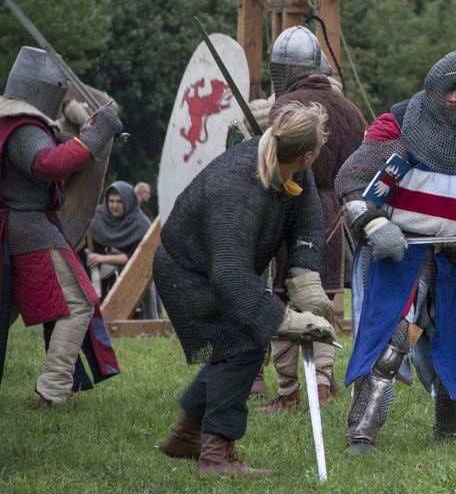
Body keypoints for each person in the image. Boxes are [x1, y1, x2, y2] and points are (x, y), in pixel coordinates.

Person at [335, 50, 456, 455]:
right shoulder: (401, 126)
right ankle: (362, 432)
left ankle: (450, 431)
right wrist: (376, 225)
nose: (454, 98)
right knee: (391, 339)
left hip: (449, 257)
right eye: (449, 89)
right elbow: (350, 182)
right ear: (434, 88)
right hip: (399, 252)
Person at [154, 101, 335, 477]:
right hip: (188, 272)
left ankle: (187, 434)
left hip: (215, 268)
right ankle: (217, 457)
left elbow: (308, 221)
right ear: (307, 153)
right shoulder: (239, 189)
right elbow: (230, 277)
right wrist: (283, 320)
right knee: (242, 346)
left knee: (231, 349)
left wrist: (307, 279)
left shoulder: (294, 167)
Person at [0, 46, 122, 405]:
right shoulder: (24, 126)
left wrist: (88, 133)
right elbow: (47, 164)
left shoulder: (11, 123)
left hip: (18, 226)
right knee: (80, 301)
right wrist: (96, 135)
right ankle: (53, 390)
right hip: (29, 227)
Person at [258, 25, 368, 412]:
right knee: (322, 304)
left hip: (291, 209)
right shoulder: (351, 111)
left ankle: (290, 392)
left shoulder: (283, 107)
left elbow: (271, 169)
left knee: (284, 302)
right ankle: (321, 382)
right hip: (335, 217)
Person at [88, 181, 161, 318]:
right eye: (111, 201)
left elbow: (137, 257)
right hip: (97, 269)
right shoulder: (98, 216)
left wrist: (103, 258)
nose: (114, 206)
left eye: (119, 202)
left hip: (132, 270)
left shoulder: (140, 223)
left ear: (128, 201)